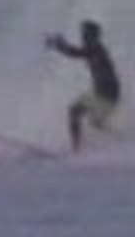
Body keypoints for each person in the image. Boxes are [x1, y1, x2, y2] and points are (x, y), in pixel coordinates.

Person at [45, 20, 121, 152]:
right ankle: (121, 141)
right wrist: (60, 44)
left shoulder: (95, 48)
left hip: (106, 92)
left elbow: (74, 53)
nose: (83, 37)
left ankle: (76, 149)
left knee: (74, 111)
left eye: (85, 34)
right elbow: (76, 52)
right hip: (105, 92)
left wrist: (58, 44)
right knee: (95, 123)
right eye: (83, 34)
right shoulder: (94, 48)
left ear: (92, 36)